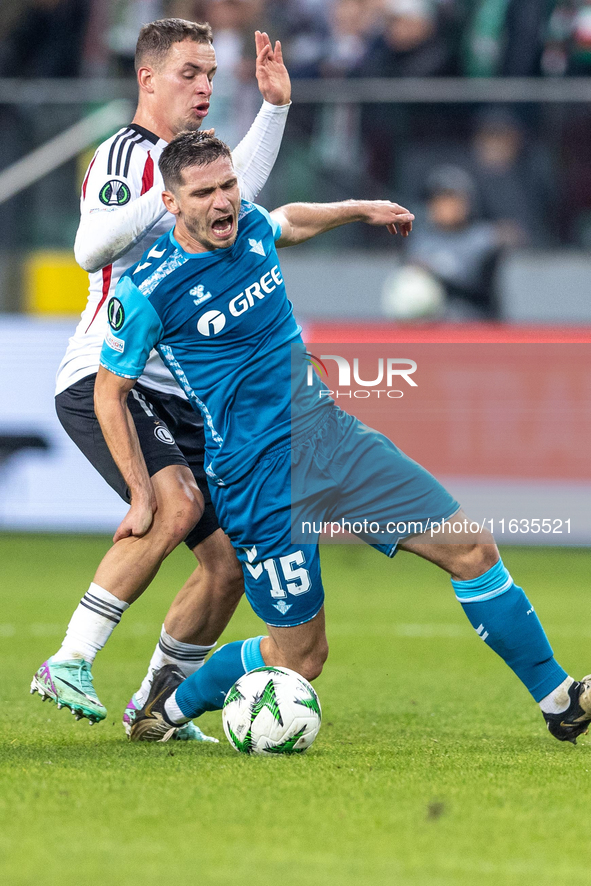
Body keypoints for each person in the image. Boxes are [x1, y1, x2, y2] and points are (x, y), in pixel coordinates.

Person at [96, 131, 591, 746]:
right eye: (204, 193)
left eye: (228, 185)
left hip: (331, 440)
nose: (223, 202)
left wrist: (361, 209)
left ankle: (559, 700)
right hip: (258, 481)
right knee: (300, 659)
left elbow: (289, 221)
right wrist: (142, 495)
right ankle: (167, 710)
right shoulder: (147, 290)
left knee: (472, 548)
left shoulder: (247, 224)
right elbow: (107, 392)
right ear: (171, 204)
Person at [30, 18, 292, 741]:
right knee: (171, 504)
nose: (204, 87)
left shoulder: (183, 165)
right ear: (146, 78)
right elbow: (89, 249)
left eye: (210, 74)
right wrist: (172, 193)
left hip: (175, 391)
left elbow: (232, 191)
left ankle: (154, 713)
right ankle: (70, 658)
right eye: (188, 73)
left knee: (229, 563)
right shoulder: (128, 151)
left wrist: (274, 108)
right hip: (104, 376)